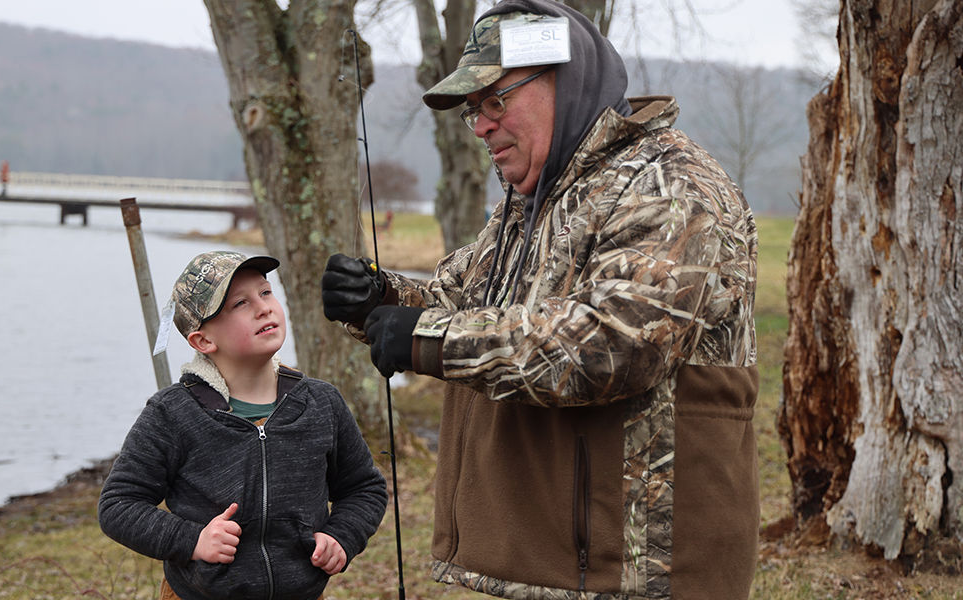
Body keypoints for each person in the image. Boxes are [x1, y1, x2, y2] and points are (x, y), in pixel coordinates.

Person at [321, 1, 759, 599]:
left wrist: (426, 339)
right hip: (560, 561)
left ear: (563, 80)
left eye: (494, 101)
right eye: (473, 110)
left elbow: (613, 345)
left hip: (645, 572)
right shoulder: (531, 200)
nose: (479, 126)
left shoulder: (672, 185)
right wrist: (378, 300)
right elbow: (454, 302)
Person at [100, 250, 388, 600]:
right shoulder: (172, 414)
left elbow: (364, 489)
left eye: (265, 292)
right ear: (203, 340)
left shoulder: (321, 403)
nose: (264, 307)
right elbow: (118, 505)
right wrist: (193, 541)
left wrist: (343, 535)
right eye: (240, 303)